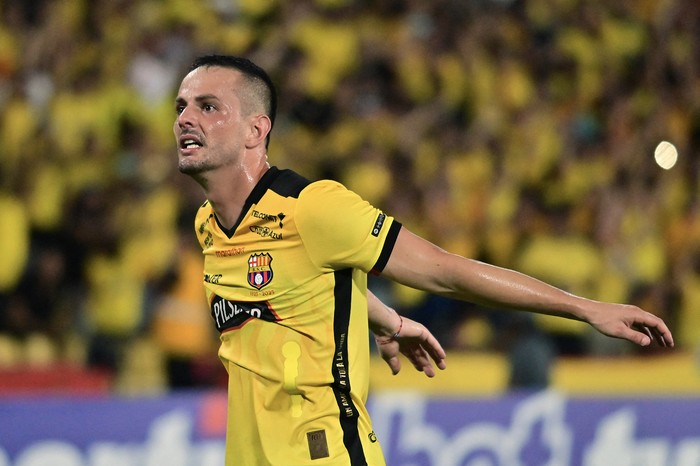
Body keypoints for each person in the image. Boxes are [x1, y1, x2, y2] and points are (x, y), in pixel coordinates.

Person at [173, 54, 674, 465]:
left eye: (208, 105)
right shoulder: (208, 224)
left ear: (255, 130)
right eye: (181, 105)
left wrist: (587, 309)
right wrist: (386, 318)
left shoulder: (314, 208)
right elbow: (286, 288)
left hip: (322, 453)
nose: (185, 118)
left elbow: (446, 271)